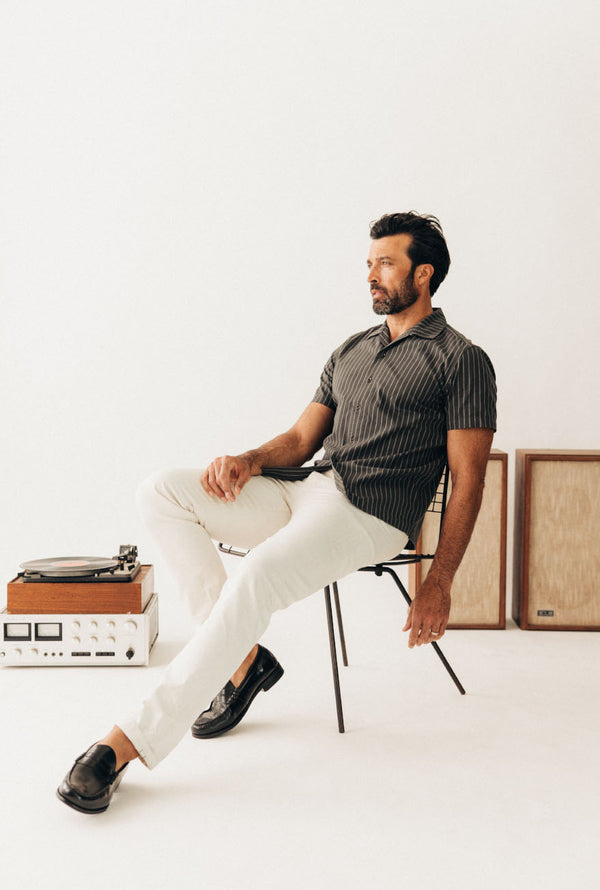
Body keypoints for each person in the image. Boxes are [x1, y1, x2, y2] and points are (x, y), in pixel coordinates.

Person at [57, 211, 497, 814]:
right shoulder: (353, 349)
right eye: (368, 263)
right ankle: (242, 663)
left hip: (371, 514)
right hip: (308, 487)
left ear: (423, 274)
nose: (370, 274)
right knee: (162, 491)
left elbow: (469, 480)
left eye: (385, 263)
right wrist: (247, 460)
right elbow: (299, 440)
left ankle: (125, 743)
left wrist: (441, 580)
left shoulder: (461, 359)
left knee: (257, 576)